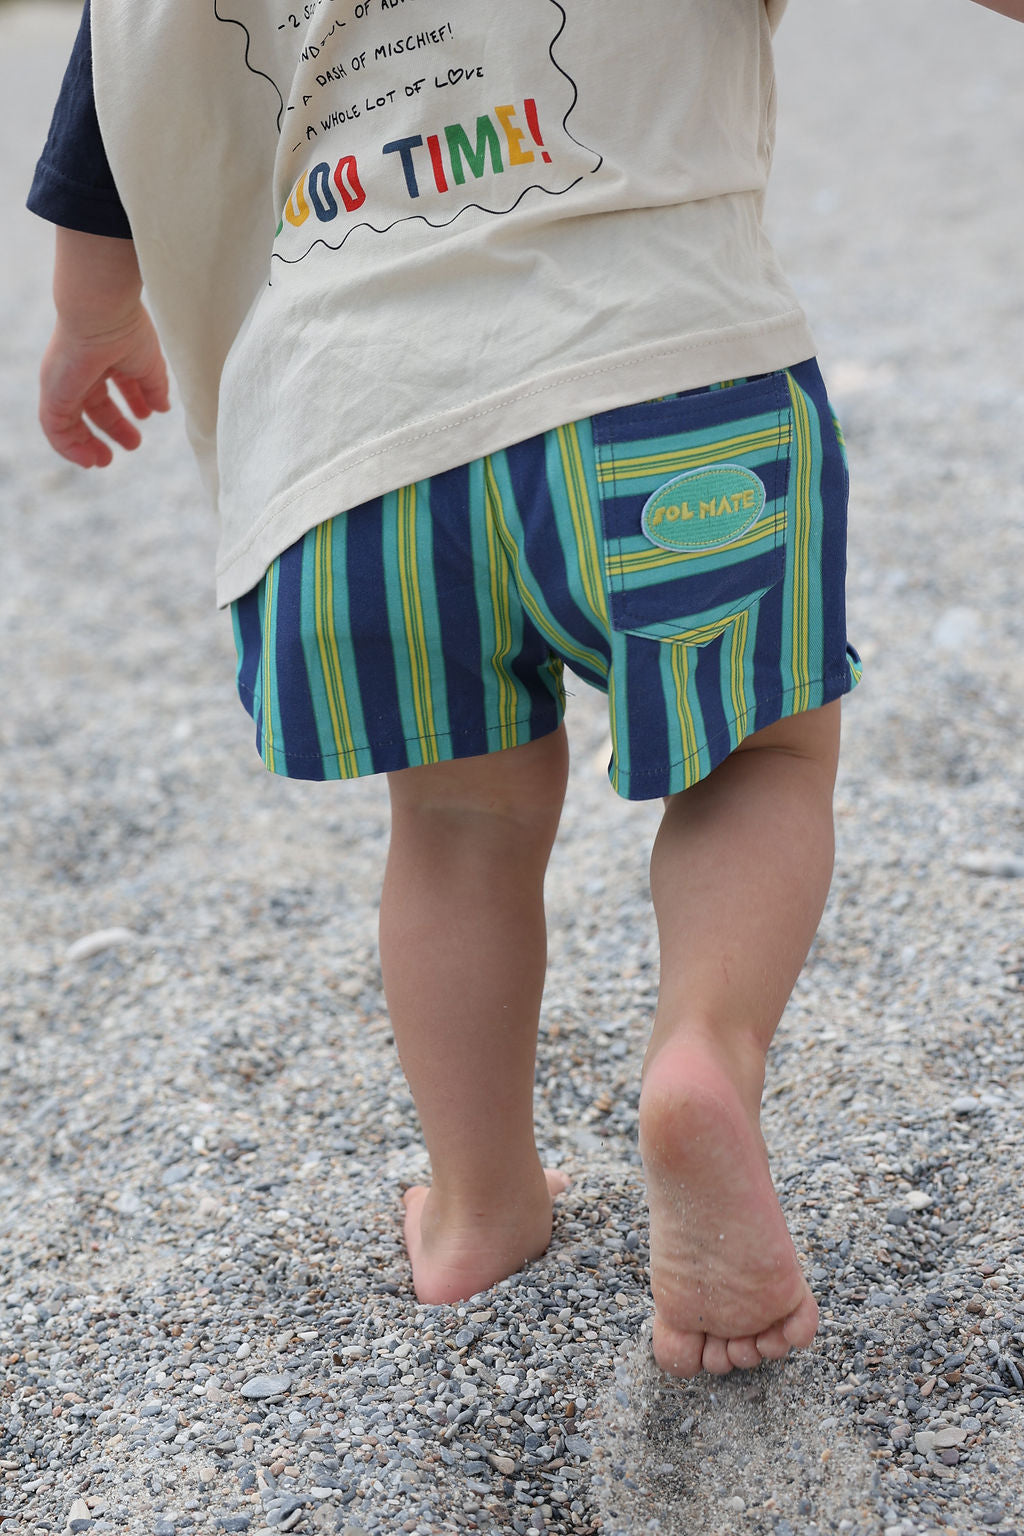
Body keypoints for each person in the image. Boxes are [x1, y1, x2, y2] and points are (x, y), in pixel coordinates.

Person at [28, 0, 1019, 1379]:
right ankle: (701, 1057)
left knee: (455, 825)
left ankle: (481, 1208)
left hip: (350, 443)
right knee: (760, 760)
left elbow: (111, 118)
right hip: (666, 377)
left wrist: (90, 320)